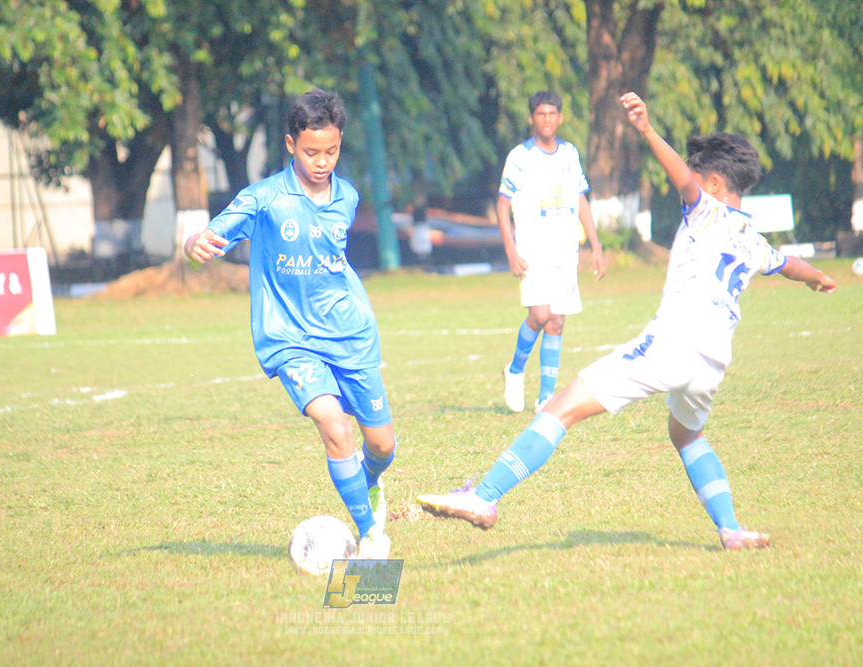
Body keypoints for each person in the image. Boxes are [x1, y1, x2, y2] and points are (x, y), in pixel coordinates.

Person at [418, 92, 837, 551]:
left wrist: (647, 130)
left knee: (561, 407)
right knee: (688, 434)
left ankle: (484, 497)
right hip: (713, 362)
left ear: (714, 183)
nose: (689, 185)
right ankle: (731, 529)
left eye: (698, 179)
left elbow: (681, 178)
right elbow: (787, 264)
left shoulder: (705, 210)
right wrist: (815, 275)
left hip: (673, 344)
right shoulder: (753, 240)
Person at [184, 89, 396, 559]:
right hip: (290, 338)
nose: (322, 162)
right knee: (334, 425)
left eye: (332, 151)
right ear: (289, 144)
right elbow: (212, 233)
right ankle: (370, 536)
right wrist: (193, 242)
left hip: (351, 333)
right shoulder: (264, 199)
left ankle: (371, 483)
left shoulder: (348, 196)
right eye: (311, 152)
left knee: (381, 444)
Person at [497, 90, 607, 415]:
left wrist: (596, 247)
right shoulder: (519, 157)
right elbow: (502, 207)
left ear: (560, 118)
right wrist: (511, 251)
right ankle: (515, 370)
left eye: (552, 114)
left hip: (565, 251)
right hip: (533, 251)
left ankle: (546, 399)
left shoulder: (570, 154)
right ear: (532, 118)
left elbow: (581, 201)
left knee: (557, 321)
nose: (546, 120)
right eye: (540, 114)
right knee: (540, 314)